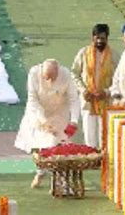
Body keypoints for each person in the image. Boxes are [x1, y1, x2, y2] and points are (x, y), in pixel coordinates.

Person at [15, 59, 80, 188]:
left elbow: (74, 99)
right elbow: (33, 100)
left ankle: (62, 180)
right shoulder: (33, 74)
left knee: (58, 145)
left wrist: (74, 121)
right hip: (38, 112)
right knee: (40, 145)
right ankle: (40, 172)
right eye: (46, 78)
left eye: (52, 78)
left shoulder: (66, 75)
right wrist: (44, 122)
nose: (49, 81)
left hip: (59, 111)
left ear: (58, 71)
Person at [71, 24, 118, 148]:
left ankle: (104, 162)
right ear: (92, 38)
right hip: (88, 100)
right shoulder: (83, 53)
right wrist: (83, 91)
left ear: (107, 38)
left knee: (105, 135)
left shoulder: (114, 55)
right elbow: (75, 73)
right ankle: (91, 160)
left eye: (102, 38)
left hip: (106, 100)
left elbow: (119, 79)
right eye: (97, 38)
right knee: (89, 135)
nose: (99, 41)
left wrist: (107, 92)